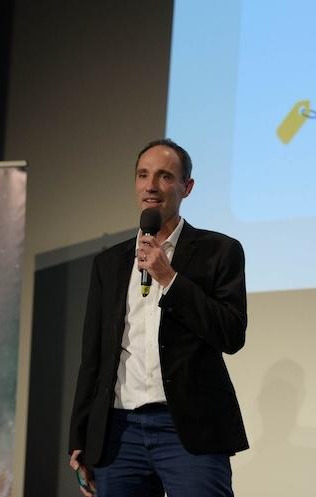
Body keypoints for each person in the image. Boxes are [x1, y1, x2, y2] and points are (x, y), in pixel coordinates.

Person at [68, 138, 249, 497]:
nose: (151, 186)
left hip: (188, 429)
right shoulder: (109, 263)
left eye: (164, 176)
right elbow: (94, 356)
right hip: (119, 431)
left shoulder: (220, 251)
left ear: (187, 187)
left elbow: (231, 334)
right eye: (143, 175)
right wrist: (80, 435)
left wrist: (170, 279)